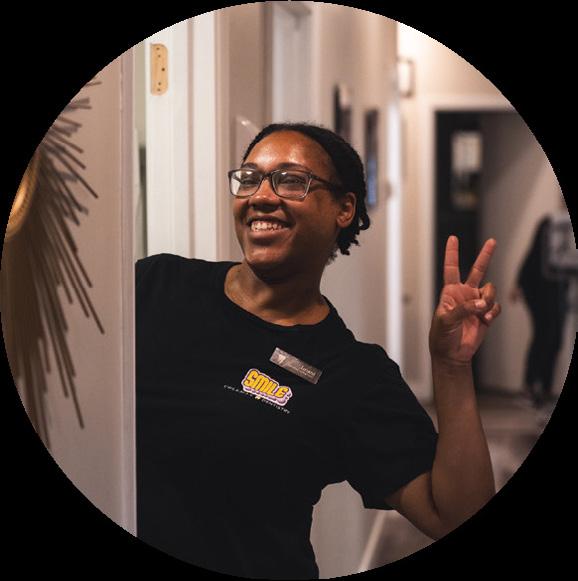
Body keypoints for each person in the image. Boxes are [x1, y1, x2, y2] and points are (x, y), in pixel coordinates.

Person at [135, 122, 500, 579]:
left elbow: (454, 515)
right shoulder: (156, 284)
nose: (261, 196)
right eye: (249, 178)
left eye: (291, 181)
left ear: (344, 208)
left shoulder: (352, 373)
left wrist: (451, 366)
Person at [510, 210, 569, 408]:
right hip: (537, 288)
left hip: (556, 289)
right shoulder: (550, 223)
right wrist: (518, 284)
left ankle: (544, 388)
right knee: (544, 335)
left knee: (555, 338)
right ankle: (530, 387)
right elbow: (534, 253)